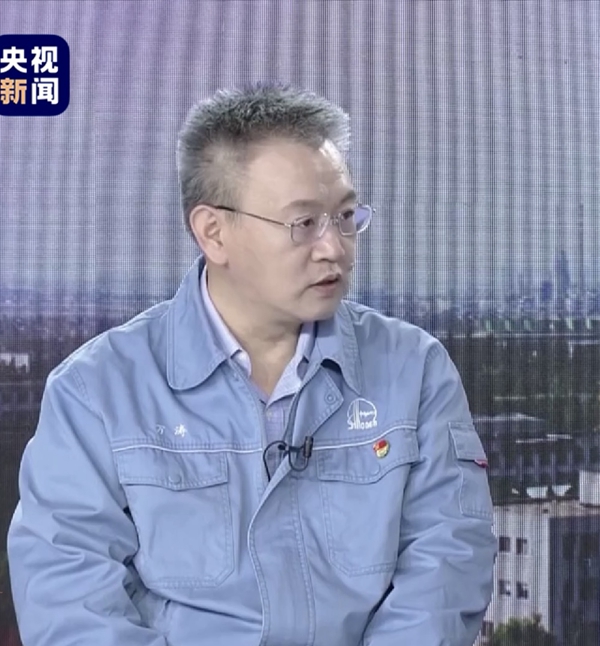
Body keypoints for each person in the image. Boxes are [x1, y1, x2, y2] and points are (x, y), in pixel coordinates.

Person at [7, 82, 496, 646]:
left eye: (345, 216)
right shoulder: (95, 392)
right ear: (213, 233)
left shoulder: (416, 370)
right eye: (304, 223)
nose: (335, 248)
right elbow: (70, 600)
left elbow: (446, 566)